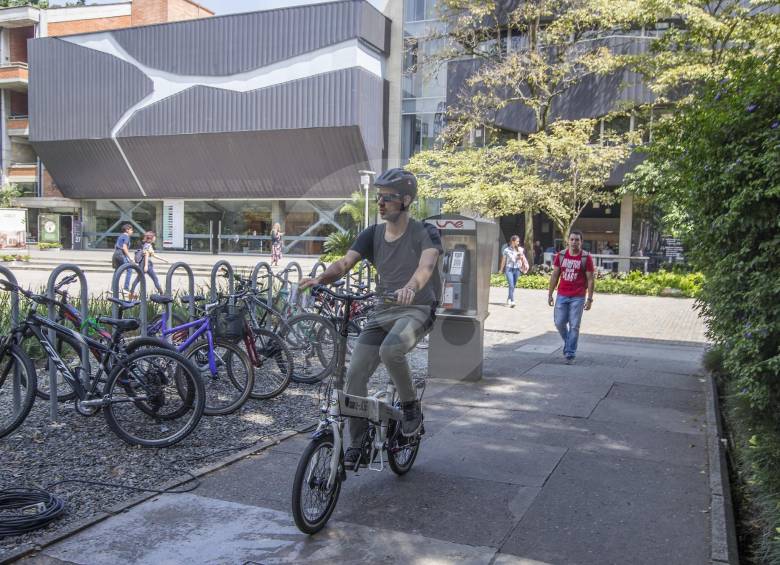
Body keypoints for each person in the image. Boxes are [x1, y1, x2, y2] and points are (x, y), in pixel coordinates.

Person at [299, 168, 442, 470]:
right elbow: (345, 262)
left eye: (387, 198)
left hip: (418, 308)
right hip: (383, 310)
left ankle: (411, 407)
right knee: (354, 377)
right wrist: (321, 279)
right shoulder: (372, 234)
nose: (381, 203)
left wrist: (411, 287)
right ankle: (358, 443)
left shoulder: (424, 232)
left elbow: (426, 267)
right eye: (379, 198)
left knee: (391, 350)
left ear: (405, 200)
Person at [547, 230, 594, 365]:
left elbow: (590, 279)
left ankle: (570, 353)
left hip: (578, 297)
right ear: (568, 240)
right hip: (562, 294)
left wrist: (590, 299)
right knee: (559, 322)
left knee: (574, 326)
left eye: (577, 240)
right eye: (572, 239)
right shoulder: (561, 255)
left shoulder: (586, 258)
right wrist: (550, 294)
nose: (574, 242)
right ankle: (569, 344)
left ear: (581, 242)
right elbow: (555, 275)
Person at [129, 231, 164, 297]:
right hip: (146, 264)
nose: (155, 239)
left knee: (138, 279)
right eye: (154, 237)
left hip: (144, 264)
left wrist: (163, 260)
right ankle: (161, 293)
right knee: (154, 278)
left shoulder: (145, 245)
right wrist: (145, 266)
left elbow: (152, 255)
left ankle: (131, 293)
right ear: (151, 238)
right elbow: (146, 255)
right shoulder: (148, 246)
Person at [498, 235, 527, 307]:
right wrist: (501, 269)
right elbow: (504, 261)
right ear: (513, 241)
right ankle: (512, 300)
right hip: (509, 269)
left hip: (517, 269)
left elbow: (522, 259)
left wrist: (520, 257)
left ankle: (509, 298)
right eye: (517, 241)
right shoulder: (506, 250)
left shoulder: (520, 249)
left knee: (513, 286)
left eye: (518, 241)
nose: (518, 242)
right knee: (511, 285)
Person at [111, 224, 134, 297]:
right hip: (121, 255)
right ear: (127, 230)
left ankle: (113, 289)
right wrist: (130, 257)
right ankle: (126, 288)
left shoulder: (120, 236)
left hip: (116, 254)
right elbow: (124, 247)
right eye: (131, 230)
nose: (132, 231)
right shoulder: (126, 236)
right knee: (129, 269)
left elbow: (116, 246)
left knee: (117, 271)